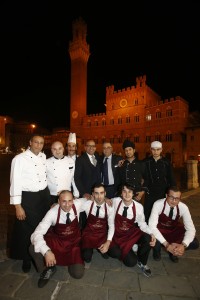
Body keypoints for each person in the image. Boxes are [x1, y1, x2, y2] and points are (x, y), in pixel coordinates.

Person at [9, 135, 51, 273]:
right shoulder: (19, 159)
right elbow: (14, 182)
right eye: (36, 142)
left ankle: (38, 253)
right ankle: (26, 258)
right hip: (28, 197)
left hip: (43, 196)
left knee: (41, 227)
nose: (38, 145)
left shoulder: (43, 157)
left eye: (41, 143)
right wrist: (17, 206)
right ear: (30, 143)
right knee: (25, 229)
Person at [29, 190, 86, 288]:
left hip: (73, 244)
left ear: (73, 200)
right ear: (58, 202)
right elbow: (36, 234)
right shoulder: (52, 212)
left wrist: (104, 199)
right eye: (64, 201)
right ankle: (48, 268)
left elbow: (90, 199)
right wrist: (46, 251)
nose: (67, 205)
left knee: (77, 274)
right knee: (32, 248)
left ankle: (66, 260)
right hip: (57, 242)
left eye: (70, 201)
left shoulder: (78, 204)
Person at [108, 183, 156, 277]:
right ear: (121, 193)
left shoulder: (138, 207)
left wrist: (151, 233)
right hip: (117, 235)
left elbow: (142, 223)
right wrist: (105, 199)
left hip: (130, 234)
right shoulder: (115, 201)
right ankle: (128, 248)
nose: (127, 194)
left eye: (129, 191)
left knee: (148, 238)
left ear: (133, 193)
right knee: (129, 262)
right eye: (124, 191)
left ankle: (142, 262)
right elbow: (103, 201)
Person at [148, 186, 199, 262]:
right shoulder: (158, 204)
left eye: (177, 198)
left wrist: (183, 246)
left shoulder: (183, 207)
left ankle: (174, 251)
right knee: (152, 237)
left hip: (173, 230)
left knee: (195, 243)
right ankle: (157, 250)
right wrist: (167, 245)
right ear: (166, 196)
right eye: (171, 197)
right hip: (160, 230)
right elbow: (152, 226)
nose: (174, 201)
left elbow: (191, 229)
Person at [143, 141, 177, 223]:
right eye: (154, 150)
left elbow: (171, 177)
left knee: (162, 212)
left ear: (161, 150)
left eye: (158, 149)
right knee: (148, 212)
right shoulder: (146, 162)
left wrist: (173, 192)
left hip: (163, 192)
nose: (156, 152)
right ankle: (148, 231)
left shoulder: (166, 162)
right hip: (150, 192)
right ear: (151, 150)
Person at [81, 183, 114, 266]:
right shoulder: (87, 204)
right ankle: (90, 249)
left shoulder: (109, 207)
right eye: (96, 193)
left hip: (101, 235)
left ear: (105, 194)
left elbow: (111, 226)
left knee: (113, 252)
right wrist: (57, 204)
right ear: (93, 194)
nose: (99, 196)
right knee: (86, 257)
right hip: (89, 234)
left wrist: (108, 242)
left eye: (101, 193)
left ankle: (100, 248)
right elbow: (72, 206)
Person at [74, 140, 102, 229]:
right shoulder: (80, 159)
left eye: (93, 146)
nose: (91, 148)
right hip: (86, 194)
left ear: (95, 148)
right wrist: (83, 193)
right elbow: (77, 178)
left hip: (96, 193)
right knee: (85, 217)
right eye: (89, 146)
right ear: (85, 147)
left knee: (95, 216)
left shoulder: (97, 158)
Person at [46, 141, 79, 205]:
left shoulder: (71, 161)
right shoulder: (47, 162)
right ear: (51, 150)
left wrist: (76, 194)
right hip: (52, 195)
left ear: (63, 149)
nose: (57, 151)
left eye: (59, 148)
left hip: (67, 195)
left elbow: (73, 179)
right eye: (54, 149)